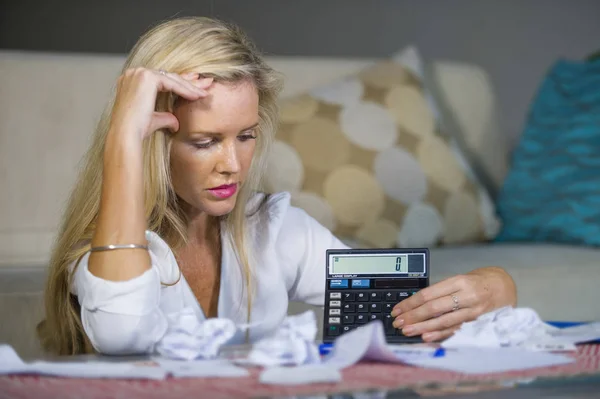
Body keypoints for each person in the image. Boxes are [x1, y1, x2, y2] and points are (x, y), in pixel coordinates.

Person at [38, 16, 517, 356]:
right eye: (205, 142)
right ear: (153, 140)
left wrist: (495, 286)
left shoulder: (276, 228)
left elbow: (411, 308)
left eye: (245, 137)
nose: (233, 165)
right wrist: (122, 139)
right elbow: (123, 336)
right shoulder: (105, 251)